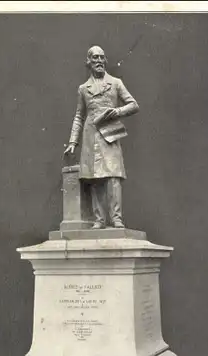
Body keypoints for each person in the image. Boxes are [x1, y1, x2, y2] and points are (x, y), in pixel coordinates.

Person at [64, 46, 139, 229]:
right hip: (91, 135)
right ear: (88, 62)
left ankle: (116, 218)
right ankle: (99, 219)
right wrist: (73, 141)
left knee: (114, 175)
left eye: (102, 57)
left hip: (110, 134)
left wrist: (116, 111)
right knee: (95, 177)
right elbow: (79, 116)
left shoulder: (115, 83)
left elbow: (133, 104)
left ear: (105, 61)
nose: (99, 60)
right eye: (95, 57)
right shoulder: (83, 89)